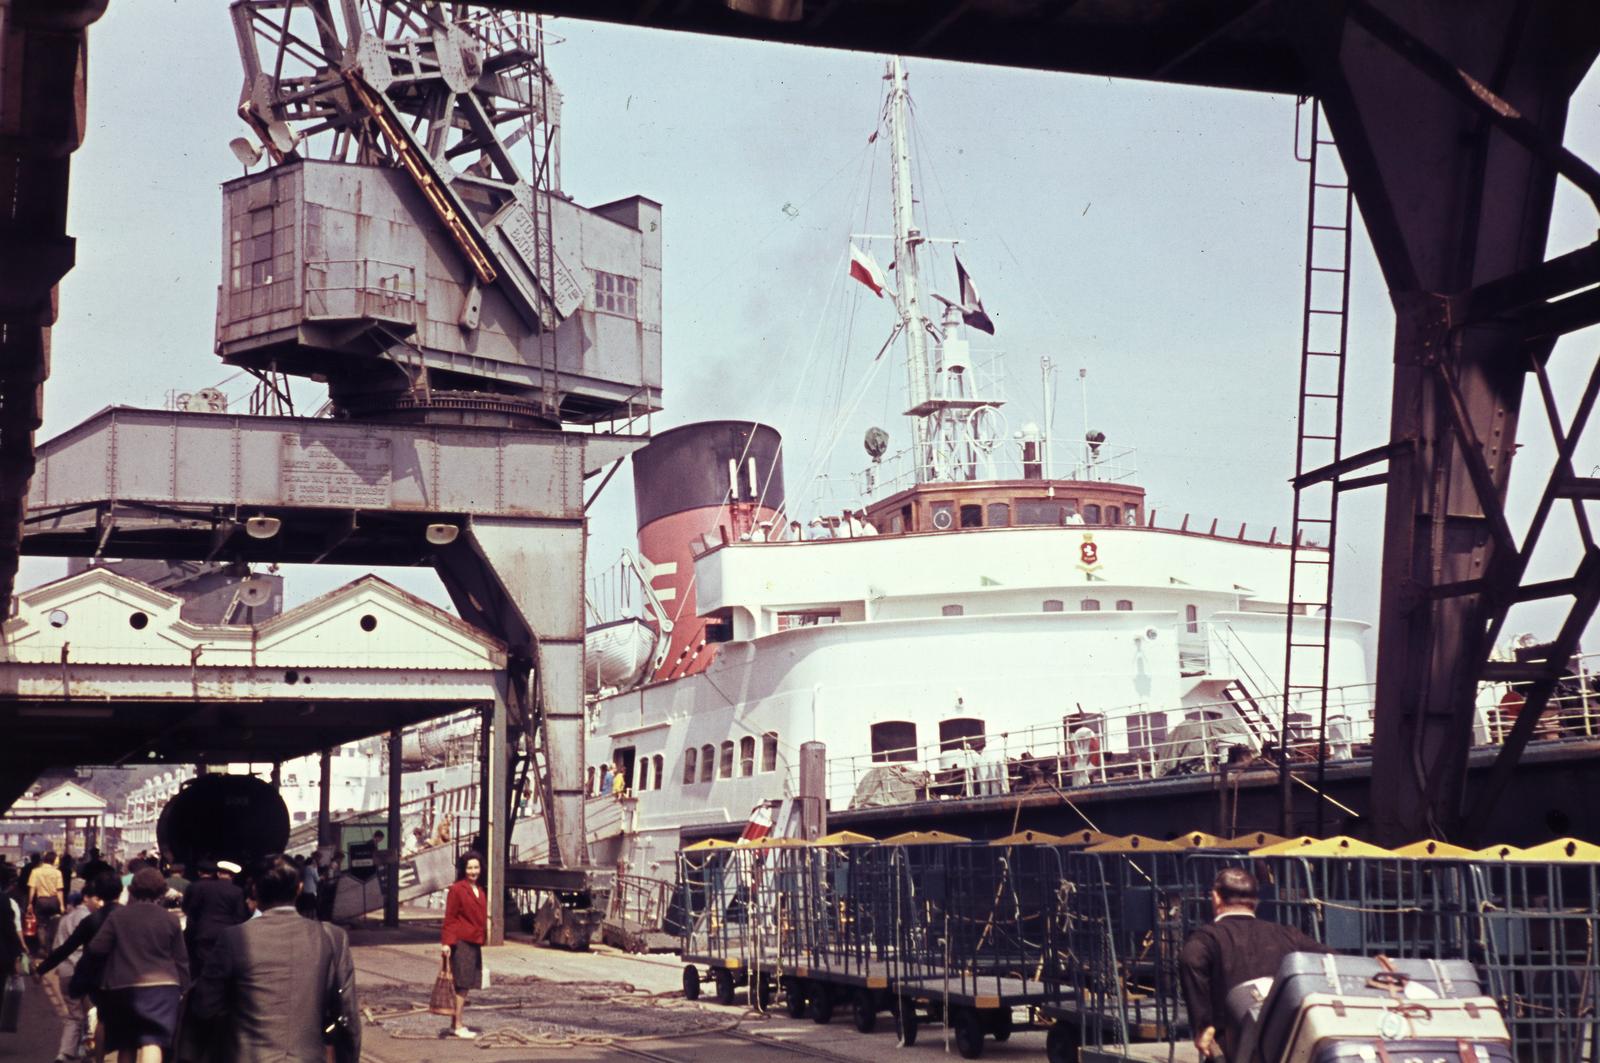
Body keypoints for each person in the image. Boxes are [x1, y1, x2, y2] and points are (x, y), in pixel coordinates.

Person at [191, 857, 360, 1062]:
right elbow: (347, 1013)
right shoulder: (332, 937)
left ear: (255, 891)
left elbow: (204, 1006)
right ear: (299, 888)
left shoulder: (233, 937)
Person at [1179, 868, 1326, 1060]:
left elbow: (1190, 959)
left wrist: (1203, 1023)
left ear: (1216, 898)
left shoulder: (1207, 938)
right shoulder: (1286, 935)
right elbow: (1329, 958)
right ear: (1256, 901)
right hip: (1281, 1042)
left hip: (1230, 1045)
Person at [83, 866, 189, 1062]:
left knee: (127, 1043)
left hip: (123, 987)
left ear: (132, 889)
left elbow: (97, 948)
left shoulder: (118, 917)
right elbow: (181, 959)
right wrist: (184, 988)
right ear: (161, 891)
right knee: (153, 1042)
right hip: (163, 989)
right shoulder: (171, 920)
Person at [439, 850, 487, 1040]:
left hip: (474, 942)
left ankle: (455, 1024)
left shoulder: (479, 889)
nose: (473, 871)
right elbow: (450, 918)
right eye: (469, 868)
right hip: (461, 943)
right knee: (462, 985)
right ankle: (457, 1025)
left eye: (476, 867)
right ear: (463, 869)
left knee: (465, 985)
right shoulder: (457, 889)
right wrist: (446, 943)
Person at [44, 889, 92, 1062]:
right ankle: (87, 1048)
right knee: (91, 1013)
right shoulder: (90, 918)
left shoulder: (64, 920)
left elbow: (56, 947)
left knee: (73, 1015)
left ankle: (65, 1052)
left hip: (65, 970)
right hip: (85, 970)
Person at [181, 860, 247, 976]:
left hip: (204, 932)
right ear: (233, 876)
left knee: (204, 968)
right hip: (226, 934)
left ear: (218, 873)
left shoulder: (204, 888)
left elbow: (192, 910)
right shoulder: (237, 891)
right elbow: (240, 916)